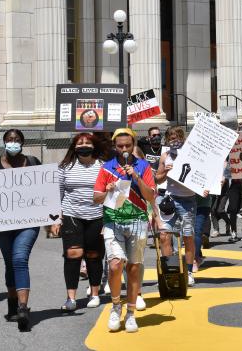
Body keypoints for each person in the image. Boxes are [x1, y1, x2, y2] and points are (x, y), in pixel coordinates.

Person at [94, 128, 155, 332]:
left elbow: (151, 196)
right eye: (120, 146)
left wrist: (137, 178)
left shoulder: (144, 166)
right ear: (114, 146)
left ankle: (130, 313)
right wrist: (106, 191)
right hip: (112, 221)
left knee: (134, 268)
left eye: (127, 145)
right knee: (114, 265)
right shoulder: (106, 168)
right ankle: (115, 306)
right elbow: (96, 198)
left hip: (138, 221)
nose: (124, 149)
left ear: (133, 144)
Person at [0, 129, 41, 330]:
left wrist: (53, 218)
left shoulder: (33, 162)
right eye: (9, 139)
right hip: (2, 223)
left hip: (28, 222)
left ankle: (23, 308)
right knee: (10, 262)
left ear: (23, 142)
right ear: (4, 142)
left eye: (17, 140)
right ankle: (12, 302)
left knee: (19, 258)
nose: (13, 142)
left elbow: (44, 191)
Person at [54, 133, 105, 312]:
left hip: (97, 216)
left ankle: (95, 293)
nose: (84, 145)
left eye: (88, 143)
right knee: (73, 255)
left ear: (94, 146)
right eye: (80, 143)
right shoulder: (65, 167)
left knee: (94, 255)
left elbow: (110, 194)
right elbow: (57, 193)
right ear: (74, 147)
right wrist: (55, 220)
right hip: (71, 215)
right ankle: (71, 298)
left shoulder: (103, 166)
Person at [155, 127, 197, 286]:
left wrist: (208, 188)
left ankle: (189, 271)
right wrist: (165, 171)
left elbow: (203, 175)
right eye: (171, 137)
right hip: (171, 199)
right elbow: (157, 179)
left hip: (188, 200)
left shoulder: (192, 155)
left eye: (178, 136)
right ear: (167, 139)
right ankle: (170, 270)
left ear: (184, 138)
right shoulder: (165, 156)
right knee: (165, 235)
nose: (175, 139)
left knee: (188, 237)